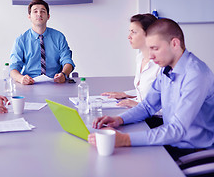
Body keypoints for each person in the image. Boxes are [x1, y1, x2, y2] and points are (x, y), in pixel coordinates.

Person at [89, 18, 214, 160]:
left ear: (174, 43)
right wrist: (119, 119)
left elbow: (177, 130)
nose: (151, 56)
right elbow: (148, 106)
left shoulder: (196, 74)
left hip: (194, 151)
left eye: (155, 48)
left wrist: (124, 139)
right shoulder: (166, 69)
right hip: (171, 142)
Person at [10, 0, 75, 85]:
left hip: (55, 83)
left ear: (48, 16)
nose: (39, 14)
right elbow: (13, 68)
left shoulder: (59, 37)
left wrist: (63, 74)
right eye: (35, 11)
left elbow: (67, 61)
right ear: (29, 16)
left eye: (43, 11)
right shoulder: (21, 40)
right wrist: (21, 78)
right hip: (30, 83)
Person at [101, 14, 160, 108]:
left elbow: (166, 107)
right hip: (140, 113)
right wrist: (124, 94)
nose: (129, 37)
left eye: (134, 32)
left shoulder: (160, 65)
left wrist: (138, 105)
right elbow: (145, 91)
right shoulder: (140, 58)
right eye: (130, 32)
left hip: (155, 119)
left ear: (149, 34)